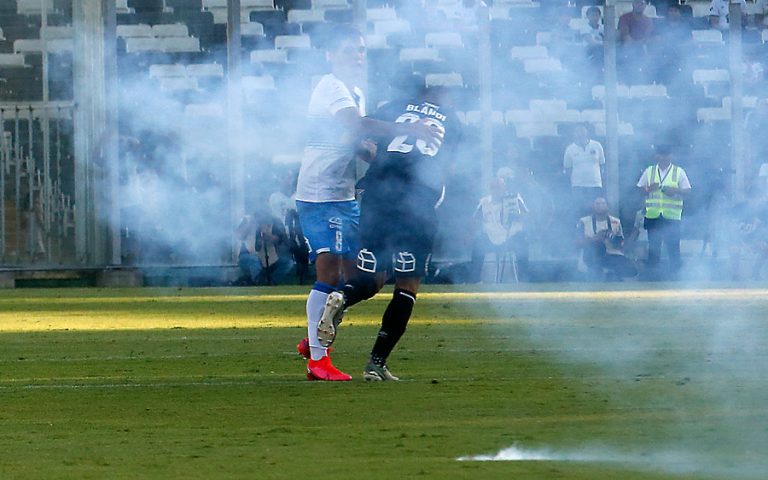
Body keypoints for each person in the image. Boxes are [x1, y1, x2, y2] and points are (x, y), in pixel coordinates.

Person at [294, 26, 443, 382]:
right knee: (329, 272)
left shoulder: (355, 91)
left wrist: (364, 149)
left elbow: (351, 135)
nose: (357, 55)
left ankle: (313, 339)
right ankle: (318, 360)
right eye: (348, 49)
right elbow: (357, 124)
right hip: (321, 192)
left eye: (360, 50)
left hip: (346, 191)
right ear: (331, 54)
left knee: (352, 277)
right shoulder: (330, 85)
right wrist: (414, 130)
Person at [636, 144, 692, 280]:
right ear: (657, 156)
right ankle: (653, 277)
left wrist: (676, 191)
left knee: (673, 248)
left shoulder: (679, 172)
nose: (665, 157)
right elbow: (639, 189)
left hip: (671, 217)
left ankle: (676, 277)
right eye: (662, 154)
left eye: (668, 154)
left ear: (671, 156)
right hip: (653, 215)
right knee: (654, 248)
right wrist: (649, 188)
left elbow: (688, 190)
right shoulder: (649, 171)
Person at [469, 177, 529, 283]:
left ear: (504, 188)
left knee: (522, 243)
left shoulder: (514, 199)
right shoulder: (484, 203)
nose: (495, 190)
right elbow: (475, 220)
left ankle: (524, 280)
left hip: (511, 238)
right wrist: (470, 234)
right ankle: (475, 281)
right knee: (478, 244)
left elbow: (526, 216)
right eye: (493, 188)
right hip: (491, 237)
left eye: (498, 188)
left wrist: (517, 215)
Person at [576, 197, 637, 281]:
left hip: (612, 253)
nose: (600, 206)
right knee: (597, 249)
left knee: (631, 270)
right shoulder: (583, 221)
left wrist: (614, 240)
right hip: (591, 255)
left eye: (603, 203)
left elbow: (622, 245)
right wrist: (596, 238)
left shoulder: (616, 221)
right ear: (592, 206)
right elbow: (578, 243)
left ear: (607, 206)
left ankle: (610, 274)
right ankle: (602, 273)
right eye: (597, 204)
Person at [235, 212, 293, 285]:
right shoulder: (248, 220)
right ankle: (259, 282)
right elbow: (238, 235)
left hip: (271, 258)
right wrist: (248, 225)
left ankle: (271, 282)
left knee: (288, 263)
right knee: (254, 260)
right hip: (248, 256)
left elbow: (281, 239)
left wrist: (269, 236)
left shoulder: (275, 221)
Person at [563, 123, 605, 217]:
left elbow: (602, 164)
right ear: (574, 133)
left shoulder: (597, 145)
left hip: (595, 184)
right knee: (579, 211)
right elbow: (568, 168)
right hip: (578, 186)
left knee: (596, 211)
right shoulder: (570, 149)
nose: (580, 133)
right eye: (577, 130)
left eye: (582, 130)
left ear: (587, 131)